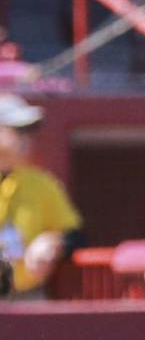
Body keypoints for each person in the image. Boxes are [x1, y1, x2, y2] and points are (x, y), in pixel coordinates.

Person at [0, 95, 83, 300]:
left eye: (29, 131)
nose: (26, 139)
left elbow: (76, 236)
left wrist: (52, 242)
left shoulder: (42, 183)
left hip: (26, 296)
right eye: (18, 130)